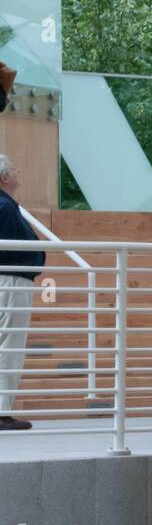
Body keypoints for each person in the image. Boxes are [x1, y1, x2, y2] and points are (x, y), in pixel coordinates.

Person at [0, 153, 44, 431]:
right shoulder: (5, 207)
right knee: (9, 344)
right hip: (11, 281)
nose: (18, 172)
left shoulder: (7, 206)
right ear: (4, 177)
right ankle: (1, 411)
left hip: (11, 280)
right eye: (14, 169)